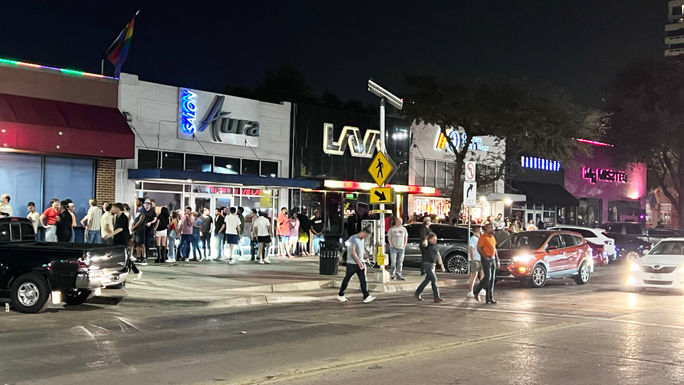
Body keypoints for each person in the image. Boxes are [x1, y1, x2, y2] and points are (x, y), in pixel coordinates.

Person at [337, 227, 376, 303]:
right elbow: (352, 251)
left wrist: (366, 257)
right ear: (363, 233)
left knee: (363, 280)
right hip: (352, 263)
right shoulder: (353, 238)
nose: (366, 237)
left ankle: (366, 296)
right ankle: (341, 294)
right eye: (366, 235)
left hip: (360, 262)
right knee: (347, 279)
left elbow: (362, 250)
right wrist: (358, 261)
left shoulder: (362, 239)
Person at [414, 232, 445, 303]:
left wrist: (441, 265)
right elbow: (423, 243)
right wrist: (426, 237)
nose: (435, 240)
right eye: (433, 239)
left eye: (436, 239)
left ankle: (418, 293)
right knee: (434, 280)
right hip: (427, 264)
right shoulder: (426, 246)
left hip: (433, 265)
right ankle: (436, 297)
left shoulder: (436, 246)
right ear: (430, 240)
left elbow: (438, 255)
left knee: (427, 280)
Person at [474, 223, 498, 304]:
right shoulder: (483, 237)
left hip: (493, 259)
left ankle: (489, 298)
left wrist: (497, 259)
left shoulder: (492, 237)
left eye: (493, 227)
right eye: (490, 227)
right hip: (486, 259)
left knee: (492, 279)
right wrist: (485, 256)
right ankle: (476, 291)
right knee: (488, 277)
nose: (492, 229)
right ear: (486, 229)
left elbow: (495, 248)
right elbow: (479, 248)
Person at [466, 225, 485, 298]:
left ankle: (481, 289)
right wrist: (472, 259)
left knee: (482, 274)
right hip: (475, 259)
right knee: (474, 274)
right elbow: (471, 248)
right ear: (478, 230)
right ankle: (470, 291)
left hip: (481, 258)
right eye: (481, 230)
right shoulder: (473, 239)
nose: (482, 231)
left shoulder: (479, 238)